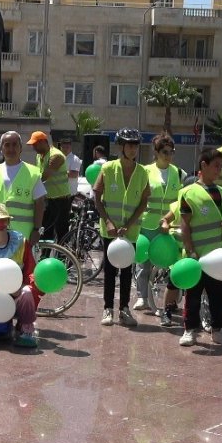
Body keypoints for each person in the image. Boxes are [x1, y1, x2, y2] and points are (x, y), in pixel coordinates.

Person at [178, 148, 222, 346]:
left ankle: (218, 330)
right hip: (198, 256)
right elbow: (184, 224)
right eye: (216, 166)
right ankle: (190, 330)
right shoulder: (189, 193)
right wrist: (190, 250)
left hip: (219, 256)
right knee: (193, 295)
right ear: (203, 165)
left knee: (219, 295)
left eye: (221, 166)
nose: (219, 170)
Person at [94, 127, 151, 328]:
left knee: (127, 271)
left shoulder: (142, 172)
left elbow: (144, 201)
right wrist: (108, 222)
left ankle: (124, 309)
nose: (133, 149)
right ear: (121, 146)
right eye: (129, 145)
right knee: (110, 271)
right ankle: (108, 308)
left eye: (136, 145)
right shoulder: (108, 168)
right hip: (110, 230)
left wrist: (129, 224)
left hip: (131, 231)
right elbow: (97, 197)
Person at [133, 133, 184, 327]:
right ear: (156, 152)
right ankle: (142, 296)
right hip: (148, 223)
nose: (169, 156)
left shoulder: (178, 172)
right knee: (144, 262)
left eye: (171, 152)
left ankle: (171, 300)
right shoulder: (145, 171)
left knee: (171, 262)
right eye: (165, 152)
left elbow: (181, 199)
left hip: (170, 225)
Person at [0, 203, 39, 347]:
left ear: (9, 222)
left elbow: (31, 272)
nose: (0, 224)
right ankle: (6, 325)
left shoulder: (21, 243)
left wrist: (21, 287)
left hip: (17, 295)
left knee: (27, 292)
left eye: (3, 220)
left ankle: (25, 327)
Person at [0, 131, 46, 245]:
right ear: (1, 149)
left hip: (23, 234)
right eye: (7, 145)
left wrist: (37, 229)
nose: (11, 149)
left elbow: (40, 203)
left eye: (14, 144)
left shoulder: (32, 173)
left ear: (20, 148)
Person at [27, 131, 71, 244]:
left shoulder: (56, 156)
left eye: (35, 144)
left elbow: (44, 176)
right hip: (48, 199)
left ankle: (64, 254)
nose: (33, 147)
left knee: (61, 232)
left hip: (60, 200)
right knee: (46, 231)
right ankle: (45, 253)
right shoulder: (39, 155)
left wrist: (26, 184)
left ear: (43, 142)